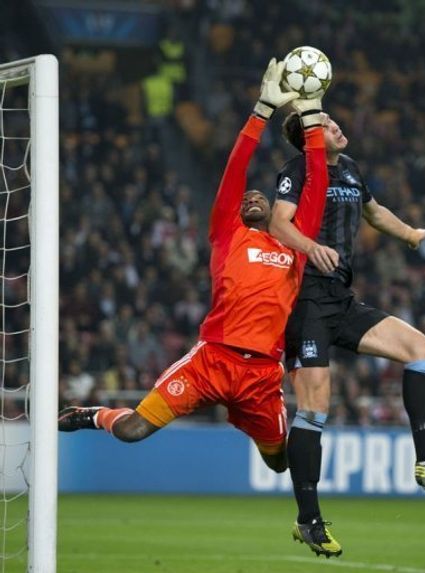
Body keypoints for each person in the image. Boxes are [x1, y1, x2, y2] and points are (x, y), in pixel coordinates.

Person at [58, 59, 337, 547]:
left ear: (275, 212)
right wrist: (262, 111)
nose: (251, 199)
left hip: (261, 377)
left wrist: (312, 118)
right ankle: (90, 415)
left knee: (279, 460)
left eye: (260, 198)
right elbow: (235, 172)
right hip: (212, 360)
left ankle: (247, 425)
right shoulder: (226, 234)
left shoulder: (294, 246)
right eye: (246, 199)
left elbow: (317, 183)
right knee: (131, 431)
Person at [269, 110, 425, 558]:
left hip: (341, 299)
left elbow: (373, 211)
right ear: (311, 137)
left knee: (420, 347)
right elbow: (278, 223)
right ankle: (308, 519)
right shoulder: (297, 172)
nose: (337, 124)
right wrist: (311, 247)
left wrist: (409, 234)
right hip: (304, 300)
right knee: (314, 408)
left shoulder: (348, 169)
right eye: (326, 123)